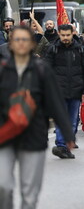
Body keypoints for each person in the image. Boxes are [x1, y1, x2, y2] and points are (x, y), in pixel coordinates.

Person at [0, 26, 76, 209]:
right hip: (4, 136)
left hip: (33, 135)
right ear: (10, 44)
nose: (20, 43)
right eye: (16, 39)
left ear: (32, 44)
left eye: (24, 39)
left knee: (29, 192)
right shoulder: (2, 70)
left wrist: (67, 133)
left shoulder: (42, 70)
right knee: (3, 186)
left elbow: (55, 102)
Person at [44, 24, 84, 159]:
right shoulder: (52, 49)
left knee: (72, 120)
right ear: (59, 34)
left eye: (68, 35)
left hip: (76, 91)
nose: (65, 38)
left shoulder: (80, 49)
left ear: (73, 34)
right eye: (63, 35)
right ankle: (61, 145)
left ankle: (66, 145)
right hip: (58, 91)